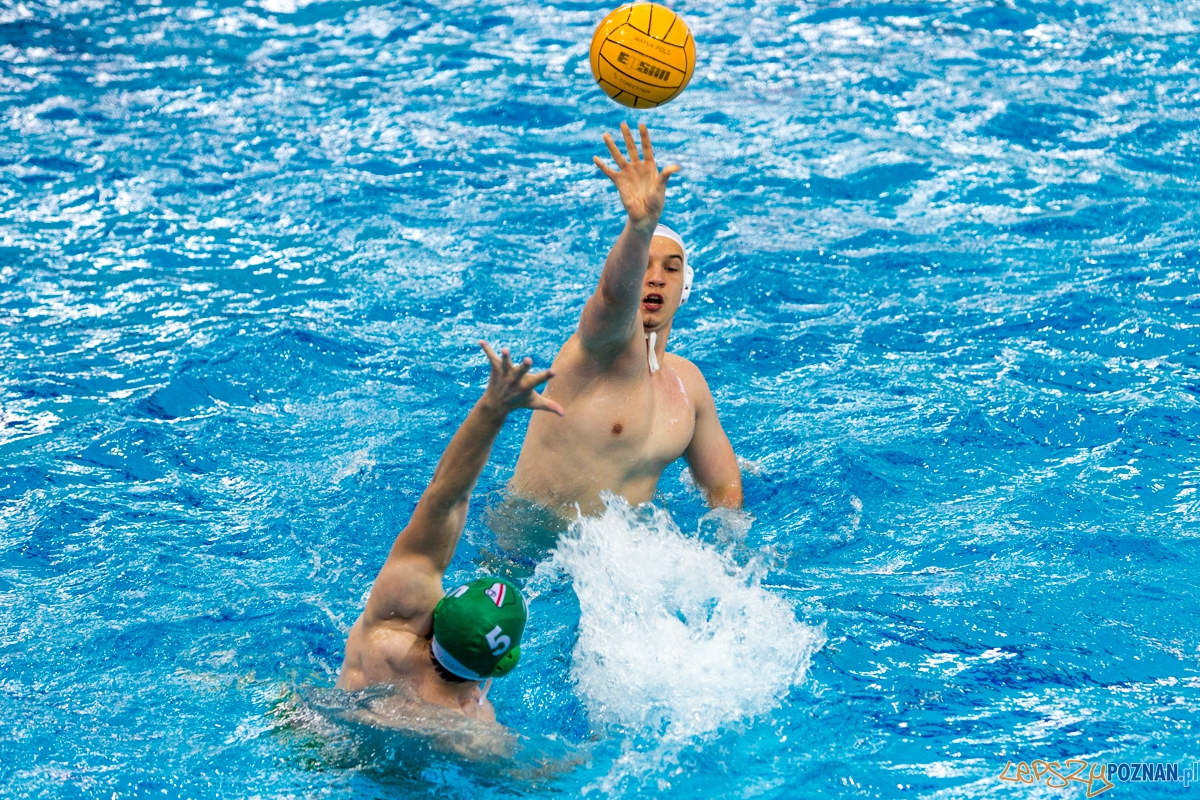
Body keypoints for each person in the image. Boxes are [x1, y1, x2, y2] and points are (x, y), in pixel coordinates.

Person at [508, 123, 742, 518]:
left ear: (684, 288)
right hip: (521, 564)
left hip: (614, 571)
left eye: (671, 269)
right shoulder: (600, 350)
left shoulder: (689, 388)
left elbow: (723, 486)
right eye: (645, 267)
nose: (655, 277)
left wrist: (730, 546)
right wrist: (639, 227)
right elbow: (613, 296)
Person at [336, 342, 564, 723]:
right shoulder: (475, 732)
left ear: (439, 611)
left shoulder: (390, 624)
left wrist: (494, 407)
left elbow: (446, 496)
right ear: (504, 664)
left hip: (318, 728)